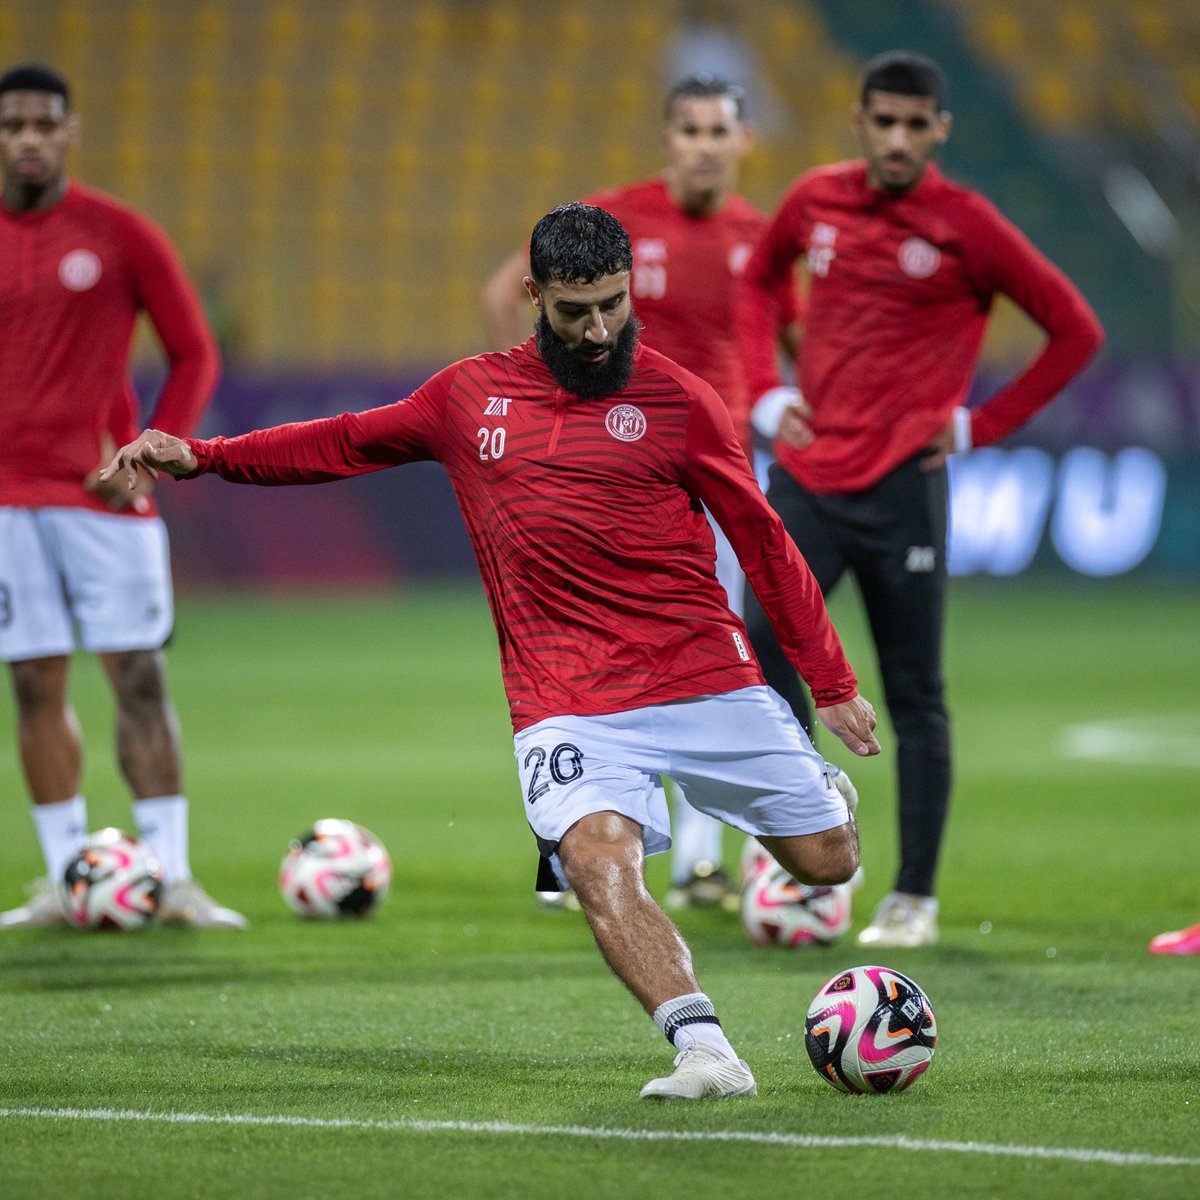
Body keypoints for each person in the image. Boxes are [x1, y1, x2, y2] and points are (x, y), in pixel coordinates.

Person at [102, 203, 879, 1098]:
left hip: (703, 674)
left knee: (831, 862)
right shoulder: (469, 398)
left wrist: (829, 682)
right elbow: (345, 442)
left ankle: (818, 792)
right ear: (533, 297)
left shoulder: (680, 403)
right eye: (575, 310)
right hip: (566, 695)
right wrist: (205, 455)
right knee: (593, 856)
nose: (597, 331)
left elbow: (764, 541)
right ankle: (704, 1048)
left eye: (614, 307)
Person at [736, 51, 1104, 948]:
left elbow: (1074, 330)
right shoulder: (815, 200)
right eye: (884, 122)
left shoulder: (965, 225)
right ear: (860, 122)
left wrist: (981, 426)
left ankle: (913, 895)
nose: (898, 139)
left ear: (940, 130)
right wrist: (765, 391)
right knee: (754, 636)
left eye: (915, 124)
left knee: (914, 693)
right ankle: (813, 802)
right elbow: (757, 280)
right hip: (810, 475)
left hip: (904, 488)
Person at [483, 75, 805, 912]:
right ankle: (578, 833)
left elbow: (799, 339)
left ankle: (700, 857)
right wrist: (528, 413)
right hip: (610, 475)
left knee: (707, 657)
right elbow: (502, 295)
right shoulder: (614, 223)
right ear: (667, 138)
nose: (703, 143)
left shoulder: (763, 241)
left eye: (718, 129)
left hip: (715, 468)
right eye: (689, 128)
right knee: (578, 640)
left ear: (744, 142)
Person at [0, 63, 245, 930]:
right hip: (5, 505)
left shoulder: (118, 234)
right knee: (32, 684)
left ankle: (171, 877)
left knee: (138, 676)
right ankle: (71, 879)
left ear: (70, 133)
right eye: (13, 124)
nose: (28, 138)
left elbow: (194, 350)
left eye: (43, 123)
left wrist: (153, 447)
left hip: (102, 497)